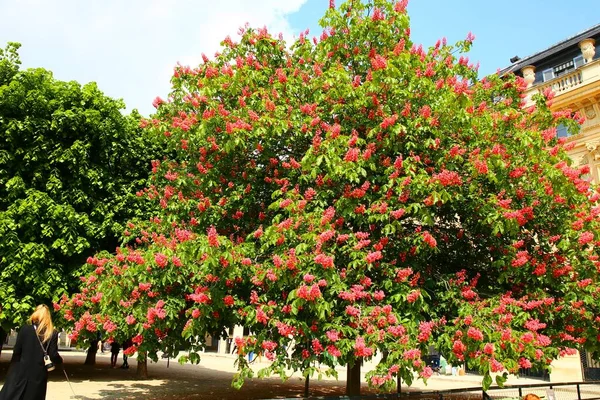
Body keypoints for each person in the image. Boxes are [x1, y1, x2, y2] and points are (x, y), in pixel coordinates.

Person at [0, 304, 63, 400]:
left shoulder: (25, 329)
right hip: (39, 373)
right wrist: (60, 361)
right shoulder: (52, 332)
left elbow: (17, 351)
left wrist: (12, 369)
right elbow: (53, 354)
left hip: (22, 369)